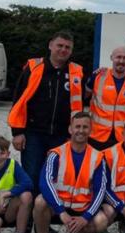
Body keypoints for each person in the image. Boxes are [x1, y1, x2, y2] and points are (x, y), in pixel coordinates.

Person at [8, 31, 84, 195]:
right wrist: (17, 132)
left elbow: (83, 101)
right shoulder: (34, 67)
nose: (63, 50)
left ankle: (48, 217)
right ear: (50, 45)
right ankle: (28, 218)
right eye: (60, 45)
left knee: (57, 178)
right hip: (34, 134)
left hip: (62, 135)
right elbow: (19, 101)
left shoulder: (77, 72)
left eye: (67, 47)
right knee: (31, 176)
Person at [32, 112, 108, 233]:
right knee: (40, 202)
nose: (81, 130)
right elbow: (45, 182)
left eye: (85, 127)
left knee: (102, 222)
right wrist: (61, 211)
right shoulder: (56, 153)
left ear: (91, 130)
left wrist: (85, 218)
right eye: (77, 126)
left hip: (82, 207)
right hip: (58, 205)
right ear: (70, 129)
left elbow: (101, 190)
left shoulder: (98, 156)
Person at [84, 47, 125, 151]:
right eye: (118, 57)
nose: (121, 61)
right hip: (97, 136)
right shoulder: (98, 76)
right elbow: (82, 97)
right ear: (112, 58)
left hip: (123, 136)